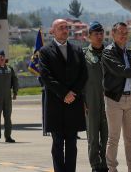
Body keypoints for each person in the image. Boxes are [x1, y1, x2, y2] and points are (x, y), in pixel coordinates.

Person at [39, 19, 88, 172]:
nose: (65, 30)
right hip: (55, 105)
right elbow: (46, 76)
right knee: (58, 144)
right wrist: (64, 93)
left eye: (66, 27)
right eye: (61, 28)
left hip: (73, 103)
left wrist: (73, 93)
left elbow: (83, 74)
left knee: (72, 144)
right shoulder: (45, 52)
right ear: (52, 31)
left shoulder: (77, 50)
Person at [102, 22, 131, 172]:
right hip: (114, 99)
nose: (124, 35)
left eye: (126, 33)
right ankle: (111, 169)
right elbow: (121, 71)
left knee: (130, 139)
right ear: (113, 34)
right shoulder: (108, 53)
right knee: (113, 138)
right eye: (120, 32)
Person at [83, 21, 108, 172]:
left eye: (101, 33)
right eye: (96, 34)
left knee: (107, 135)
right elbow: (79, 79)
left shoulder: (110, 53)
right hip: (91, 99)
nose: (99, 36)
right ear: (89, 36)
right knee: (93, 136)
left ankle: (105, 163)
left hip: (108, 100)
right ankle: (95, 165)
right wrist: (81, 100)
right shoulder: (84, 54)